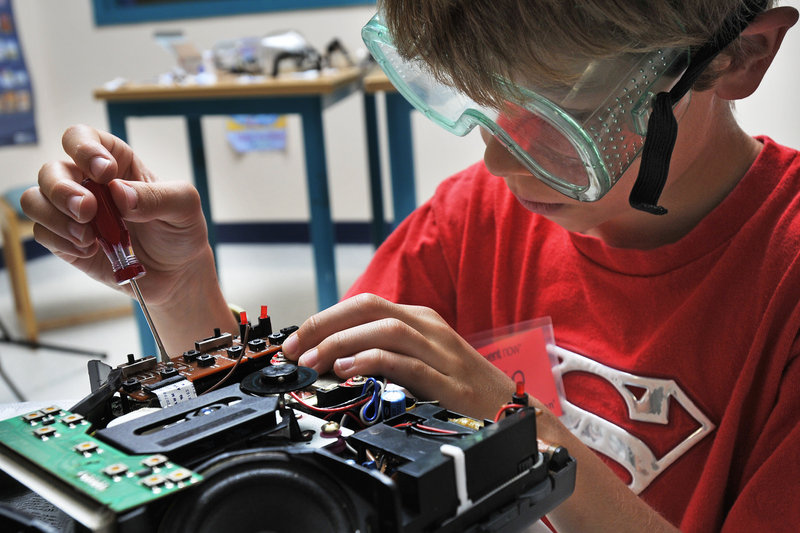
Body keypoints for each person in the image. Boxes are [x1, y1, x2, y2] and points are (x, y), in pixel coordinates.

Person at [20, 1, 800, 531]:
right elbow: (302, 420)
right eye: (486, 102)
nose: (499, 156)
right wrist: (182, 288)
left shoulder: (783, 280)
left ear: (739, 55)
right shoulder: (474, 219)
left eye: (564, 110)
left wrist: (529, 436)